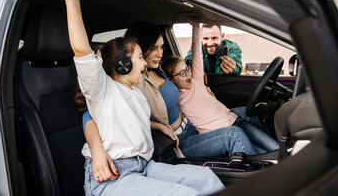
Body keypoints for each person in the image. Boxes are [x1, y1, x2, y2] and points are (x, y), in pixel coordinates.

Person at [54, 0, 224, 196]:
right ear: (123, 64)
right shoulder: (103, 90)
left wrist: (159, 126)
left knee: (206, 178)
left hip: (143, 166)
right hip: (113, 176)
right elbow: (81, 50)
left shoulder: (135, 93)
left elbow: (131, 118)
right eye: (140, 58)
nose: (145, 64)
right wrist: (72, 0)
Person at [82, 21, 260, 183]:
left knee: (247, 113)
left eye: (162, 47)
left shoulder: (159, 70)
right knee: (234, 134)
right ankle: (262, 180)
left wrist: (199, 84)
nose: (160, 53)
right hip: (179, 140)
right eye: (154, 48)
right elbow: (90, 114)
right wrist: (97, 150)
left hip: (194, 125)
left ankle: (272, 159)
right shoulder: (132, 80)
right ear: (139, 50)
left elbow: (181, 76)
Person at [162, 18, 279, 153]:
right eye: (182, 73)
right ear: (171, 80)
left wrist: (195, 26)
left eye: (187, 69)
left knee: (275, 149)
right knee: (265, 156)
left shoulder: (196, 80)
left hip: (237, 121)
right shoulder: (175, 96)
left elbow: (197, 55)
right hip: (225, 130)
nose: (188, 74)